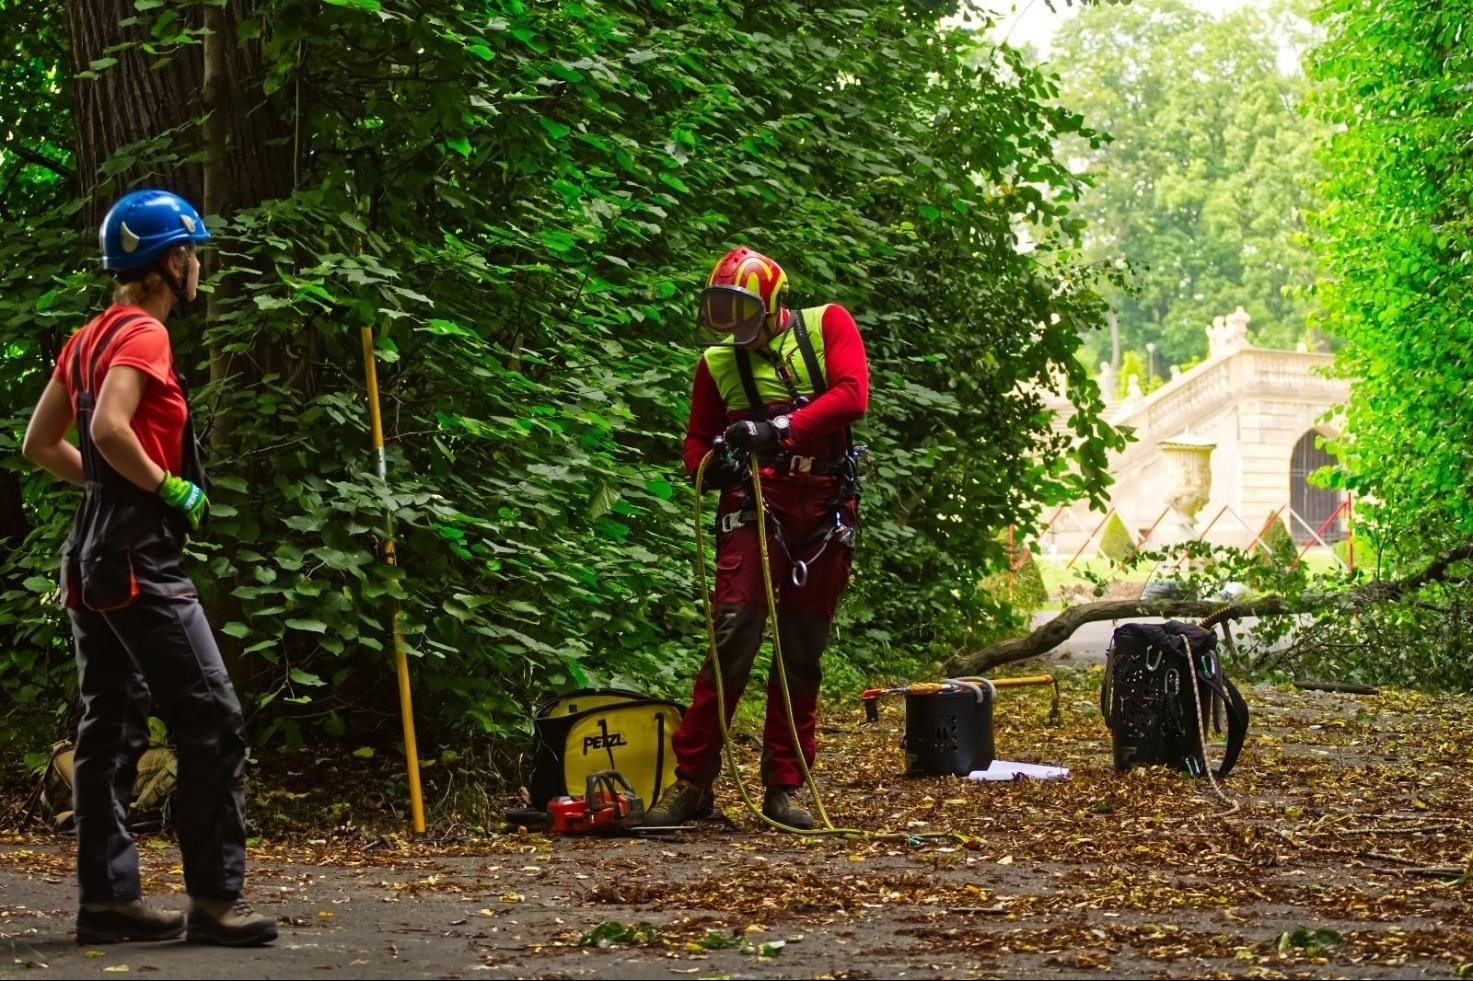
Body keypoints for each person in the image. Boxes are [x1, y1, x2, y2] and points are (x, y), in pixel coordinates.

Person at [22, 189, 276, 947]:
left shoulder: (88, 336)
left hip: (90, 555)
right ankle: (216, 901)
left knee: (110, 726)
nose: (197, 263)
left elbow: (41, 444)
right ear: (170, 261)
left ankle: (107, 901)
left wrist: (102, 482)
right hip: (139, 559)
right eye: (191, 251)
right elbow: (107, 426)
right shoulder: (144, 334)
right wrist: (163, 485)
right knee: (212, 720)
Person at [644, 246, 869, 829]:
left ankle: (785, 787)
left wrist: (776, 427)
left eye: (740, 310)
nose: (731, 325)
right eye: (720, 312)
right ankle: (693, 782)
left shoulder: (827, 325)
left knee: (800, 649)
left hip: (822, 510)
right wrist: (711, 465)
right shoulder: (717, 364)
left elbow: (851, 396)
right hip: (754, 505)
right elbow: (696, 442)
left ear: (771, 305)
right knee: (732, 633)